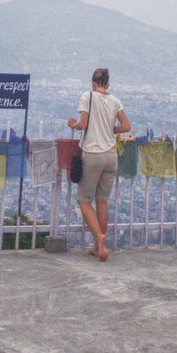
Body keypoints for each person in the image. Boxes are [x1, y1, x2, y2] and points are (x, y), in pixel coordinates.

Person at [67, 67, 131, 261]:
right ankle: (99, 247)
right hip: (111, 155)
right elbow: (127, 127)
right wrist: (113, 129)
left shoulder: (87, 96)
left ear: (93, 83)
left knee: (84, 200)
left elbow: (83, 124)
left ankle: (99, 238)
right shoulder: (115, 101)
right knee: (102, 200)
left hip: (93, 154)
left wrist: (72, 125)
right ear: (108, 84)